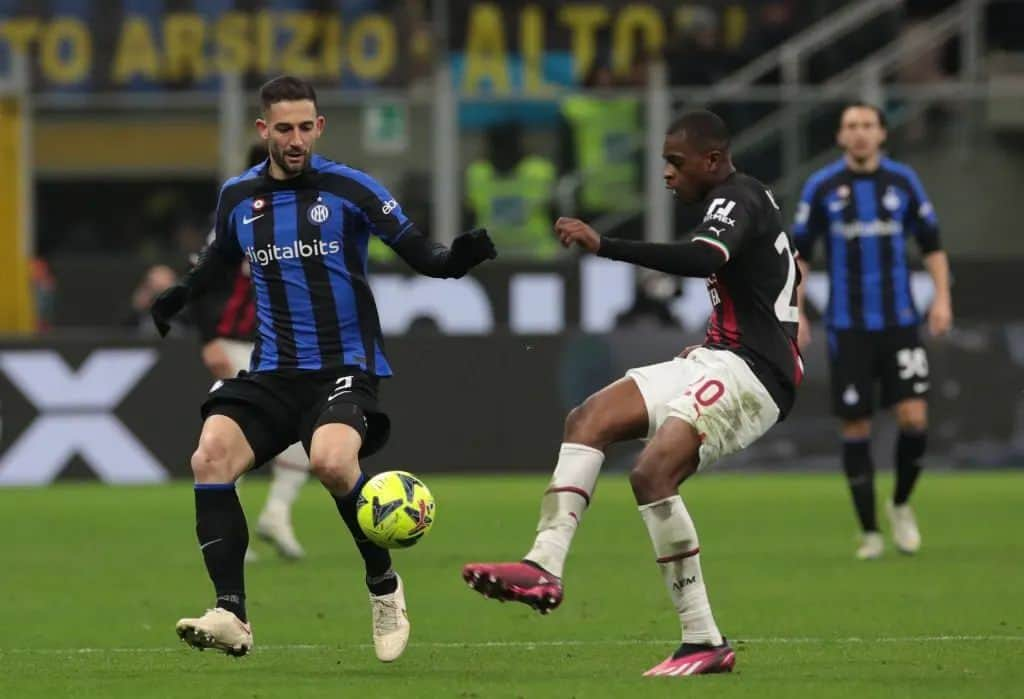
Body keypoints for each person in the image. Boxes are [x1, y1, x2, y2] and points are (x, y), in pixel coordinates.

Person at [150, 75, 496, 660]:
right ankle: (231, 613)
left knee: (333, 464)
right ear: (263, 130)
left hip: (344, 365)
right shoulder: (238, 197)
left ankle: (384, 588)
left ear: (320, 127)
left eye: (305, 126)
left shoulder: (350, 189)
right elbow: (218, 263)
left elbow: (421, 252)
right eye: (283, 128)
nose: (295, 139)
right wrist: (179, 296)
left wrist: (456, 260)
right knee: (209, 456)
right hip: (273, 371)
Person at [463, 110, 803, 677]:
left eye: (676, 162)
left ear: (713, 161)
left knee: (651, 474)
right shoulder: (742, 200)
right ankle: (544, 564)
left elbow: (703, 259)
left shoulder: (736, 199)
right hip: (718, 356)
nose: (667, 174)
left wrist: (605, 246)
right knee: (589, 418)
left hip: (756, 373)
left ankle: (703, 640)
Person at [792, 102, 952, 560]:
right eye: (850, 127)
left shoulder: (904, 182)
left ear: (882, 134)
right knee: (856, 425)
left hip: (900, 323)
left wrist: (942, 298)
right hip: (848, 328)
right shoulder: (822, 187)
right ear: (841, 136)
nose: (859, 134)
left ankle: (900, 503)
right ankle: (870, 533)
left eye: (867, 126)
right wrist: (798, 312)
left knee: (914, 419)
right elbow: (800, 255)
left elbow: (933, 245)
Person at [189, 143, 311, 561]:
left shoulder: (299, 218)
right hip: (236, 343)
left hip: (281, 347)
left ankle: (276, 514)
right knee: (232, 439)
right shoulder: (234, 216)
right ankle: (230, 530)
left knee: (304, 435)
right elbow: (198, 282)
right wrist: (209, 340)